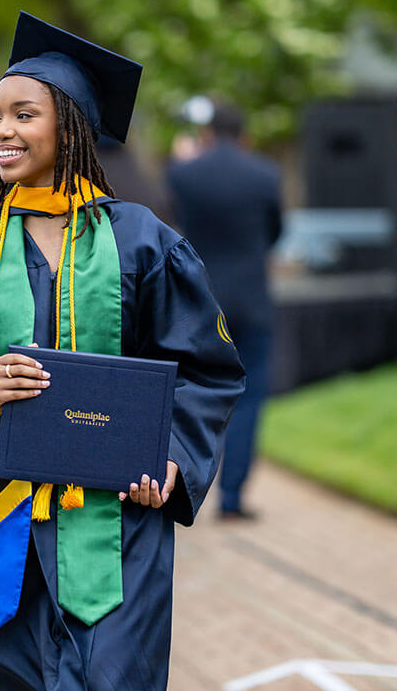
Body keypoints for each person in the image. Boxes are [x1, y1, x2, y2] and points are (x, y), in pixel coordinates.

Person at [0, 13, 244, 690]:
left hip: (115, 525)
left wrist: (172, 458)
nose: (2, 132)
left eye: (24, 114)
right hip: (1, 524)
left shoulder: (142, 242)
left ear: (70, 125)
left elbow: (206, 370)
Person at [166, 102, 281, 519]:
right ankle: (232, 497)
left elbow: (175, 224)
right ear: (244, 133)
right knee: (248, 398)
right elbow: (275, 232)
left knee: (192, 393)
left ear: (209, 133)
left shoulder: (183, 173)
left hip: (200, 298)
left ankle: (187, 487)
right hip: (252, 299)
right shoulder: (266, 174)